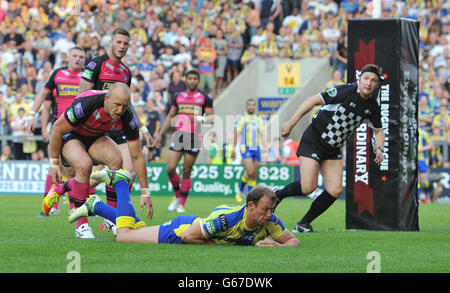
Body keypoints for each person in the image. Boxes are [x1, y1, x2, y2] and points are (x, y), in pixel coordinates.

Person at [275, 64, 385, 233]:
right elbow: (311, 100)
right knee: (307, 188)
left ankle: (303, 223)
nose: (368, 83)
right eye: (365, 79)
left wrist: (379, 148)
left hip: (333, 148)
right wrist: (290, 123)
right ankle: (278, 194)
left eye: (373, 80)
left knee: (335, 190)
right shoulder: (346, 91)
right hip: (314, 140)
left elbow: (378, 131)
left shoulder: (372, 107)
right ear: (359, 79)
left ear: (377, 84)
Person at [43, 83, 153, 238]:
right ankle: (81, 226)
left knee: (116, 160)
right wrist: (54, 164)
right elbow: (57, 128)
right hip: (72, 135)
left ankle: (110, 218)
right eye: (117, 105)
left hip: (95, 136)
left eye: (124, 106)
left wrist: (145, 192)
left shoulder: (127, 116)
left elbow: (137, 156)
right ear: (107, 99)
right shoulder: (87, 104)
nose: (120, 110)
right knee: (84, 165)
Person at [69, 172, 300, 247]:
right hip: (183, 230)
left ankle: (96, 206)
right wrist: (215, 244)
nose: (270, 215)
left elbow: (293, 242)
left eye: (271, 210)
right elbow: (191, 236)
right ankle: (120, 182)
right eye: (266, 209)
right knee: (125, 236)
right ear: (250, 205)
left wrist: (274, 246)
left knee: (139, 229)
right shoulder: (227, 220)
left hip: (194, 224)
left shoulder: (270, 220)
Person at [77, 28, 152, 225]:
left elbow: (127, 103)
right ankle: (70, 191)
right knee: (94, 172)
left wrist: (142, 128)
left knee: (128, 172)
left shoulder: (126, 71)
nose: (122, 47)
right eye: (119, 42)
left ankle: (110, 218)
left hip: (117, 128)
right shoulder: (96, 63)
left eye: (125, 44)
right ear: (111, 42)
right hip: (96, 128)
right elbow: (82, 94)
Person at [27, 46, 86, 216]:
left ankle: (74, 204)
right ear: (68, 57)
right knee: (55, 166)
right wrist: (32, 115)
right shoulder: (58, 75)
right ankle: (51, 205)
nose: (77, 59)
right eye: (74, 55)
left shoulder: (87, 77)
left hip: (81, 129)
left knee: (77, 168)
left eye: (81, 56)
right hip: (59, 128)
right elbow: (45, 102)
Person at [154, 70, 214, 213]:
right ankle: (177, 196)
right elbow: (170, 115)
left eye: (195, 78)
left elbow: (211, 118)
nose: (192, 81)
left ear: (198, 81)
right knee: (170, 168)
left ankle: (182, 203)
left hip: (194, 137)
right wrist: (160, 134)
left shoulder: (204, 97)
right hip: (178, 135)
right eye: (190, 78)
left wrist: (199, 119)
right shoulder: (178, 96)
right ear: (186, 80)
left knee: (186, 171)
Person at [232, 99, 269, 203]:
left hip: (256, 148)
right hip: (245, 148)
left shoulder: (258, 119)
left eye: (253, 105)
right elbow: (236, 133)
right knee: (250, 171)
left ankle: (250, 197)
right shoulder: (242, 118)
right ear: (247, 106)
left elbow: (262, 134)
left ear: (255, 106)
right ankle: (239, 191)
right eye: (249, 105)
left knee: (253, 175)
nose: (251, 107)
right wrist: (233, 149)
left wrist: (266, 149)